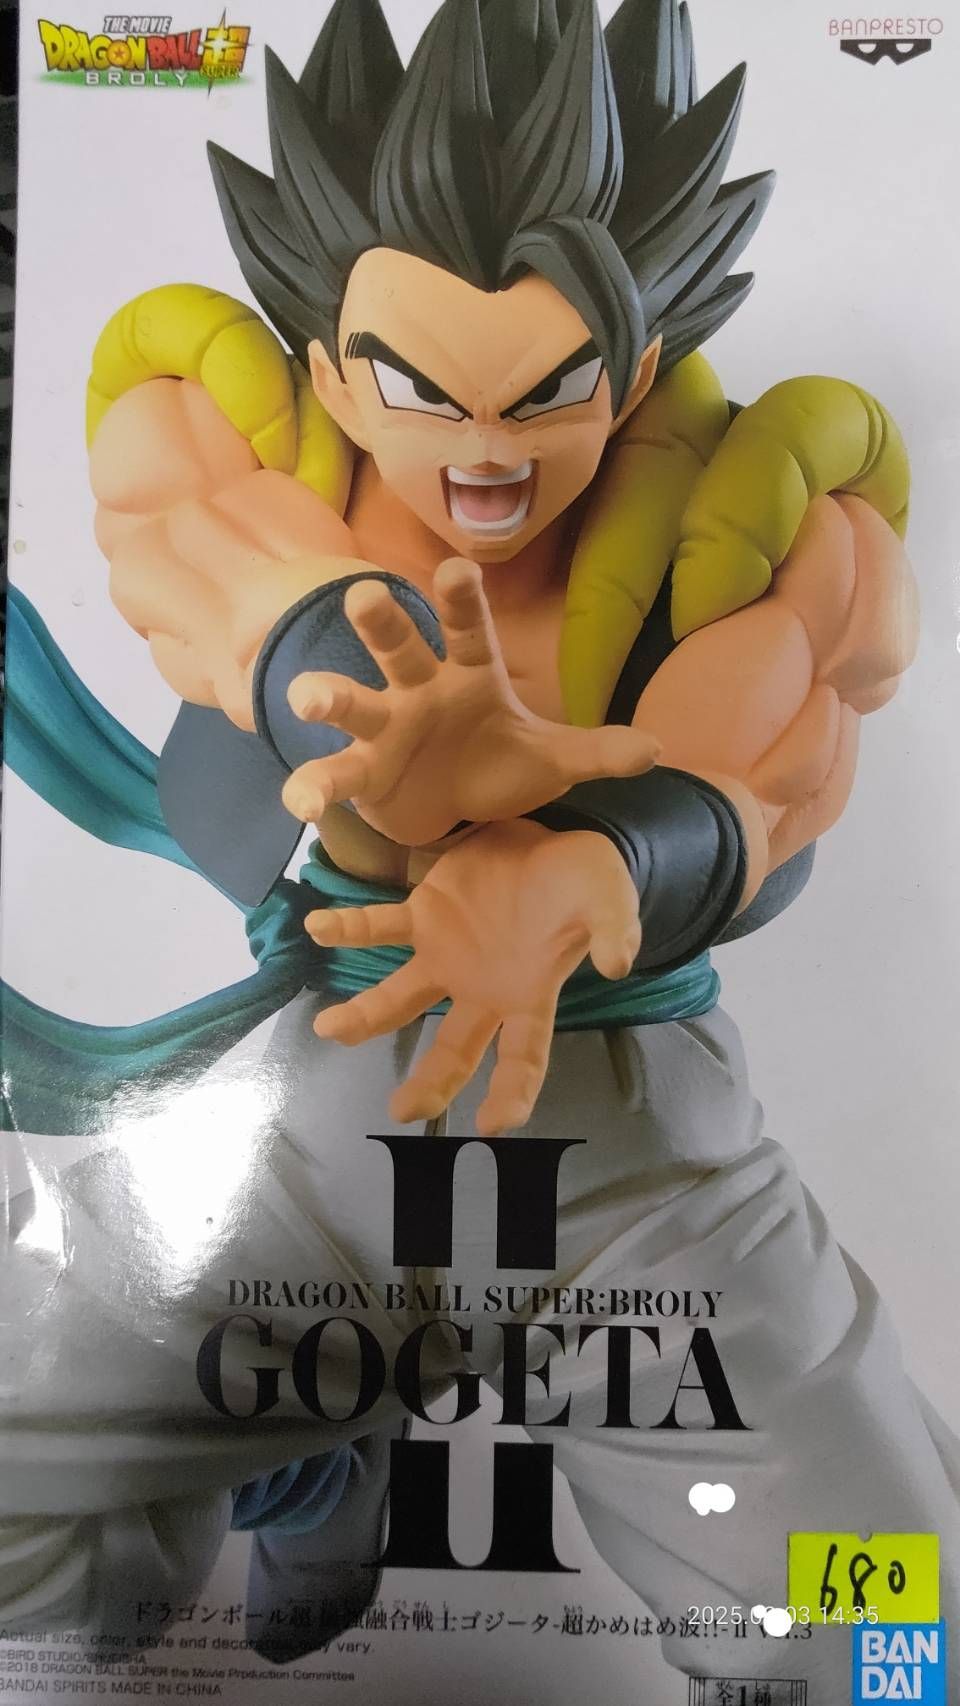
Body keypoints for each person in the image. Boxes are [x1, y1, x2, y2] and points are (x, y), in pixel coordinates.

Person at [2, 0, 957, 1692]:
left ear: (635, 366)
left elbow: (767, 769)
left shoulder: (762, 504)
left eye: (548, 388)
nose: (488, 450)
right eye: (420, 388)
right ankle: (295, 1461)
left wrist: (593, 866)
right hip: (311, 1148)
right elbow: (215, 564)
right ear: (328, 368)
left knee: (900, 1625)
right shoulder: (238, 429)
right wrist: (382, 729)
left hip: (633, 1177)